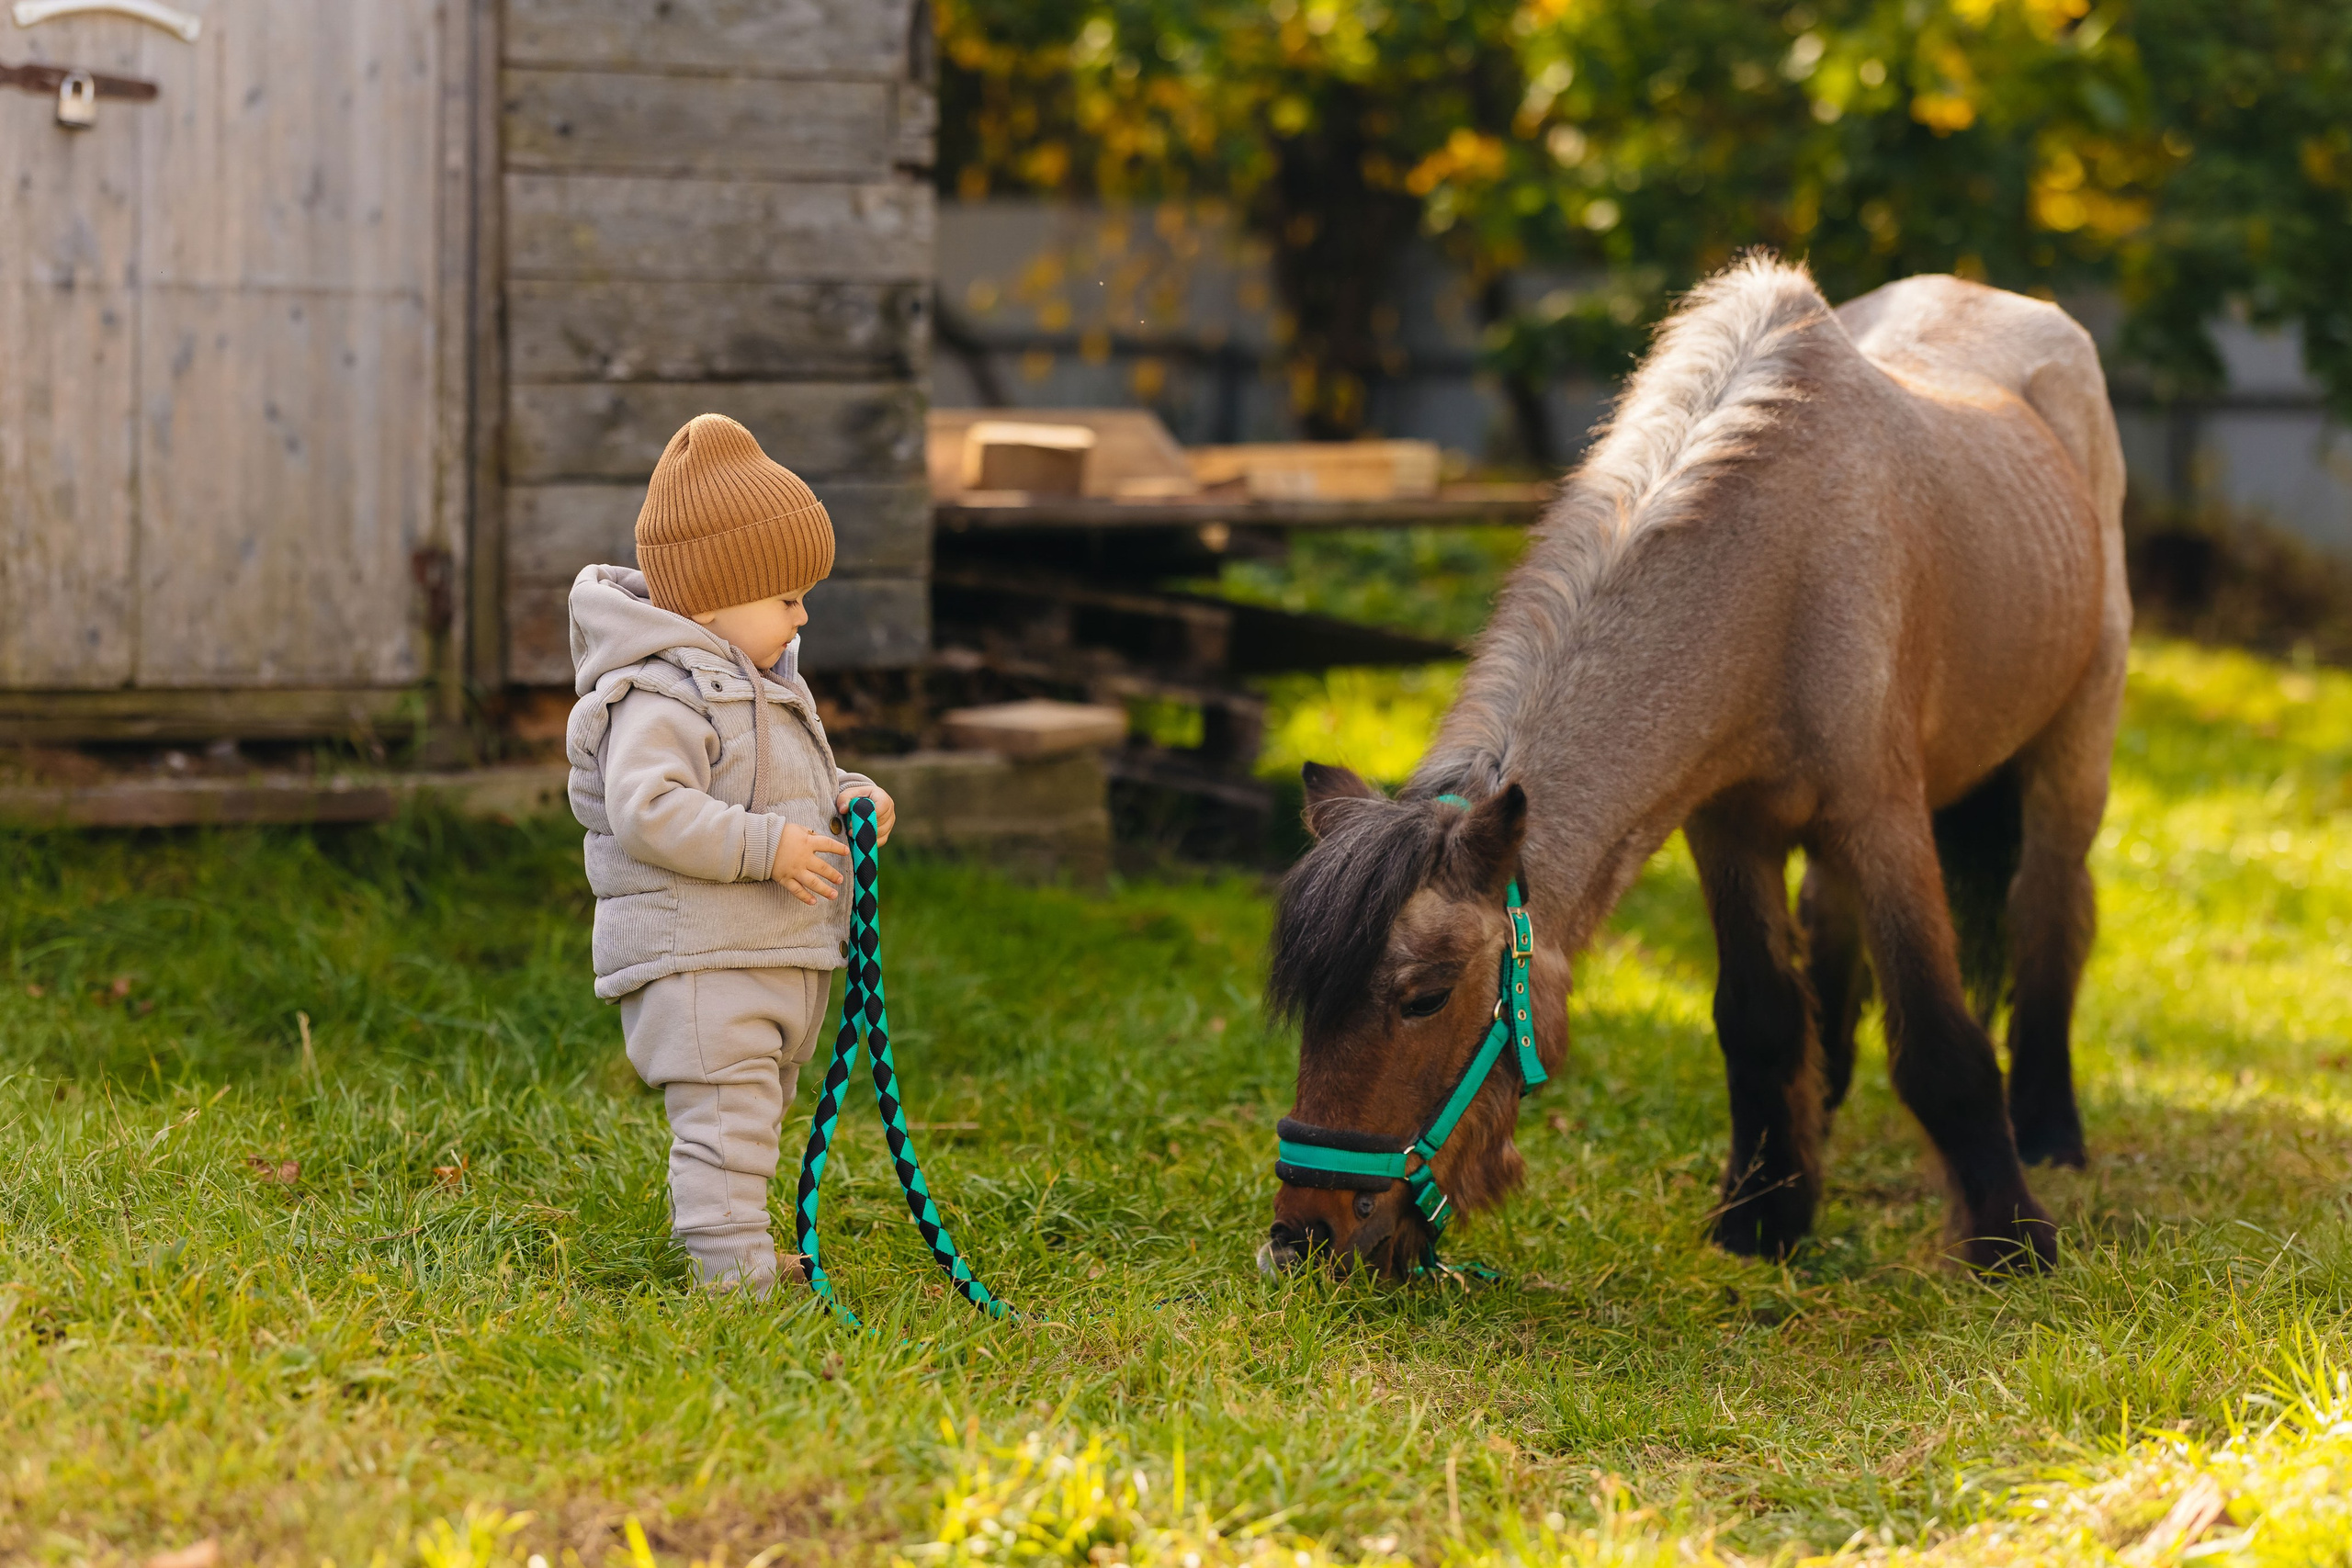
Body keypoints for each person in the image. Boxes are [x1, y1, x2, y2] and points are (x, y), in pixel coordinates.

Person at [563, 412, 895, 1294]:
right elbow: (649, 810)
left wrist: (847, 799)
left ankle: (740, 1252)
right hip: (702, 956)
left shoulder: (762, 684)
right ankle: (731, 1280)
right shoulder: (658, 698)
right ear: (713, 600)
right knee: (724, 1120)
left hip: (770, 950)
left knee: (757, 1116)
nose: (803, 613)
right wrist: (767, 848)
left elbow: (774, 791)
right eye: (787, 596)